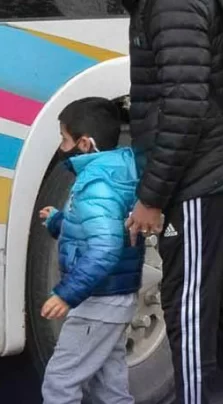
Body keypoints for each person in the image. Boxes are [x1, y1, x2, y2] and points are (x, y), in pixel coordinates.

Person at [73, 0, 223, 403]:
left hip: (204, 178)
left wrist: (153, 197)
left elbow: (185, 105)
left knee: (190, 311)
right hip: (215, 173)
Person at [39, 97, 143, 404]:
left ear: (85, 143)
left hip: (97, 302)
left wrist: (66, 293)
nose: (62, 146)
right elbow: (96, 230)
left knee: (60, 383)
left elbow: (104, 249)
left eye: (65, 139)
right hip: (114, 300)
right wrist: (59, 220)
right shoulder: (114, 174)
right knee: (110, 390)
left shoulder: (95, 185)